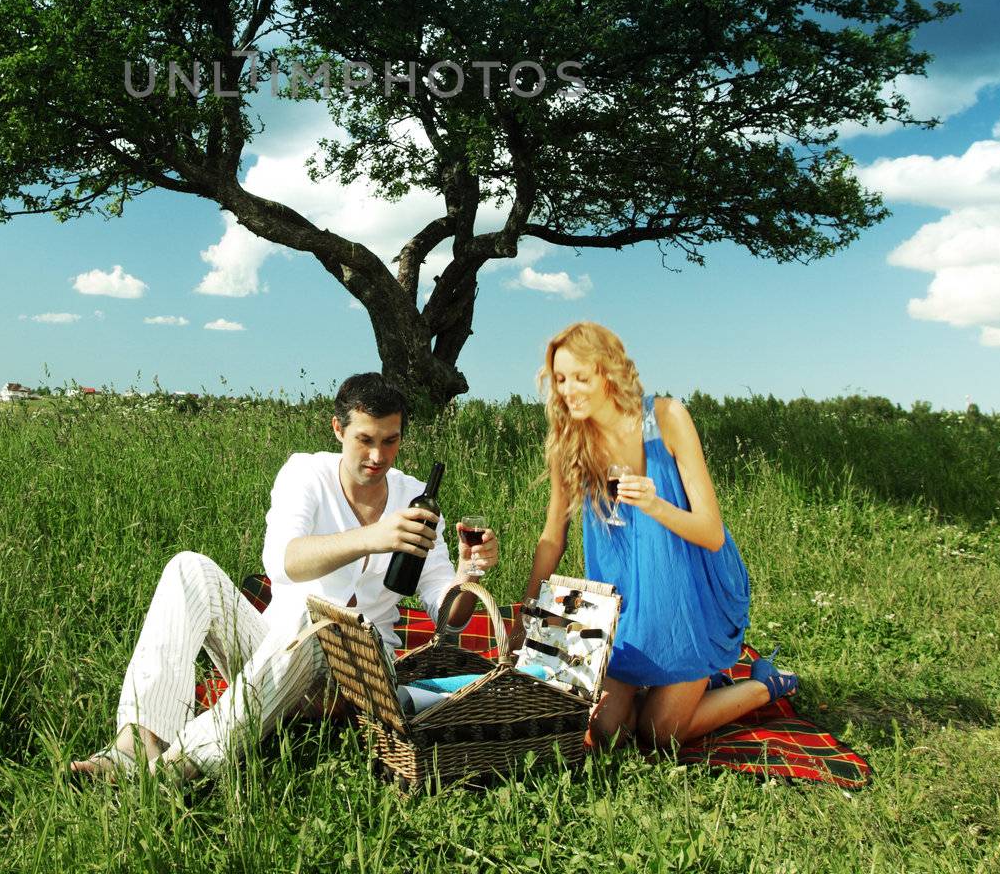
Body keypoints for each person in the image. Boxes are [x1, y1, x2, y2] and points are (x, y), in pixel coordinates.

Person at [70, 372, 499, 781]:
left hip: (359, 674)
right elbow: (284, 562)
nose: (378, 456)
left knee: (318, 618)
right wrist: (372, 537)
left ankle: (178, 768)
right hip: (274, 651)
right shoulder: (305, 473)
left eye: (390, 441)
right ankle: (135, 744)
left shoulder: (416, 499)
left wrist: (467, 574)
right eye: (364, 440)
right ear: (338, 429)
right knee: (188, 568)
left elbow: (447, 617)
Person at [524, 321, 797, 748]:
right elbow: (552, 538)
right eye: (560, 379)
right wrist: (530, 611)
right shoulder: (568, 442)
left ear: (609, 374)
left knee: (659, 736)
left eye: (581, 377)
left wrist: (654, 505)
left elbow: (711, 534)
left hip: (690, 594)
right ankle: (684, 681)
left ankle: (764, 685)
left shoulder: (668, 418)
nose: (567, 390)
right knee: (607, 730)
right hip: (626, 603)